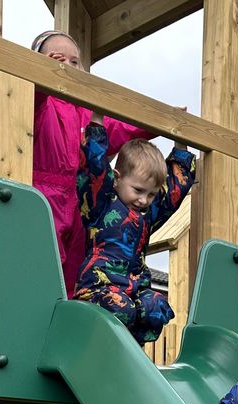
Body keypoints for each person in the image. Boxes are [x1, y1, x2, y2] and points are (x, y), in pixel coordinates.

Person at [30, 31, 154, 296]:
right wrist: (42, 75)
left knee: (75, 268)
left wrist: (154, 123)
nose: (66, 65)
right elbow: (29, 101)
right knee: (44, 262)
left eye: (74, 62)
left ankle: (68, 311)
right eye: (56, 58)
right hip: (43, 194)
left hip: (78, 202)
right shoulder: (41, 104)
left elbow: (119, 128)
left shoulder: (85, 111)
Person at [72, 113, 194, 344]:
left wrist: (181, 142)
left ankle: (132, 347)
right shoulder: (102, 202)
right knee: (123, 309)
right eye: (138, 190)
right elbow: (95, 168)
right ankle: (100, 342)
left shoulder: (147, 216)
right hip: (99, 286)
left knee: (156, 306)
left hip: (135, 286)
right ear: (117, 179)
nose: (143, 200)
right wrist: (97, 122)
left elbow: (173, 192)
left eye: (150, 194)